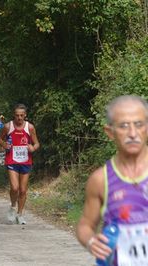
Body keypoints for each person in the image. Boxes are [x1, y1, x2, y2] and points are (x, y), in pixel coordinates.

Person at [76, 95, 148, 265]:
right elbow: (85, 225)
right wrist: (91, 241)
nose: (132, 133)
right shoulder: (100, 180)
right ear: (110, 132)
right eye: (124, 126)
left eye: (139, 125)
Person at [0, 104, 40, 225]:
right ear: (14, 115)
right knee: (14, 188)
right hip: (12, 160)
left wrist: (33, 148)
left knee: (22, 190)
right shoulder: (8, 126)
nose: (19, 118)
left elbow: (37, 143)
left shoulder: (30, 127)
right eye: (17, 115)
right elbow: (0, 139)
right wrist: (4, 145)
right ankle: (12, 207)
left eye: (22, 115)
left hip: (26, 161)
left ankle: (20, 214)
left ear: (25, 115)